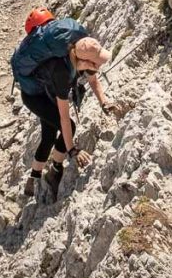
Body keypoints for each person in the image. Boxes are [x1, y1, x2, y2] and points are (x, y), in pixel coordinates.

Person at [21, 35, 121, 199]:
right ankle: (53, 171)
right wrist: (72, 150)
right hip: (35, 97)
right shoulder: (62, 72)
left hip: (48, 92)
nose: (98, 65)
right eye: (96, 61)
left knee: (49, 135)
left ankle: (37, 176)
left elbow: (93, 80)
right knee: (61, 129)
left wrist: (104, 102)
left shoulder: (82, 59)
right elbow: (64, 119)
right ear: (85, 61)